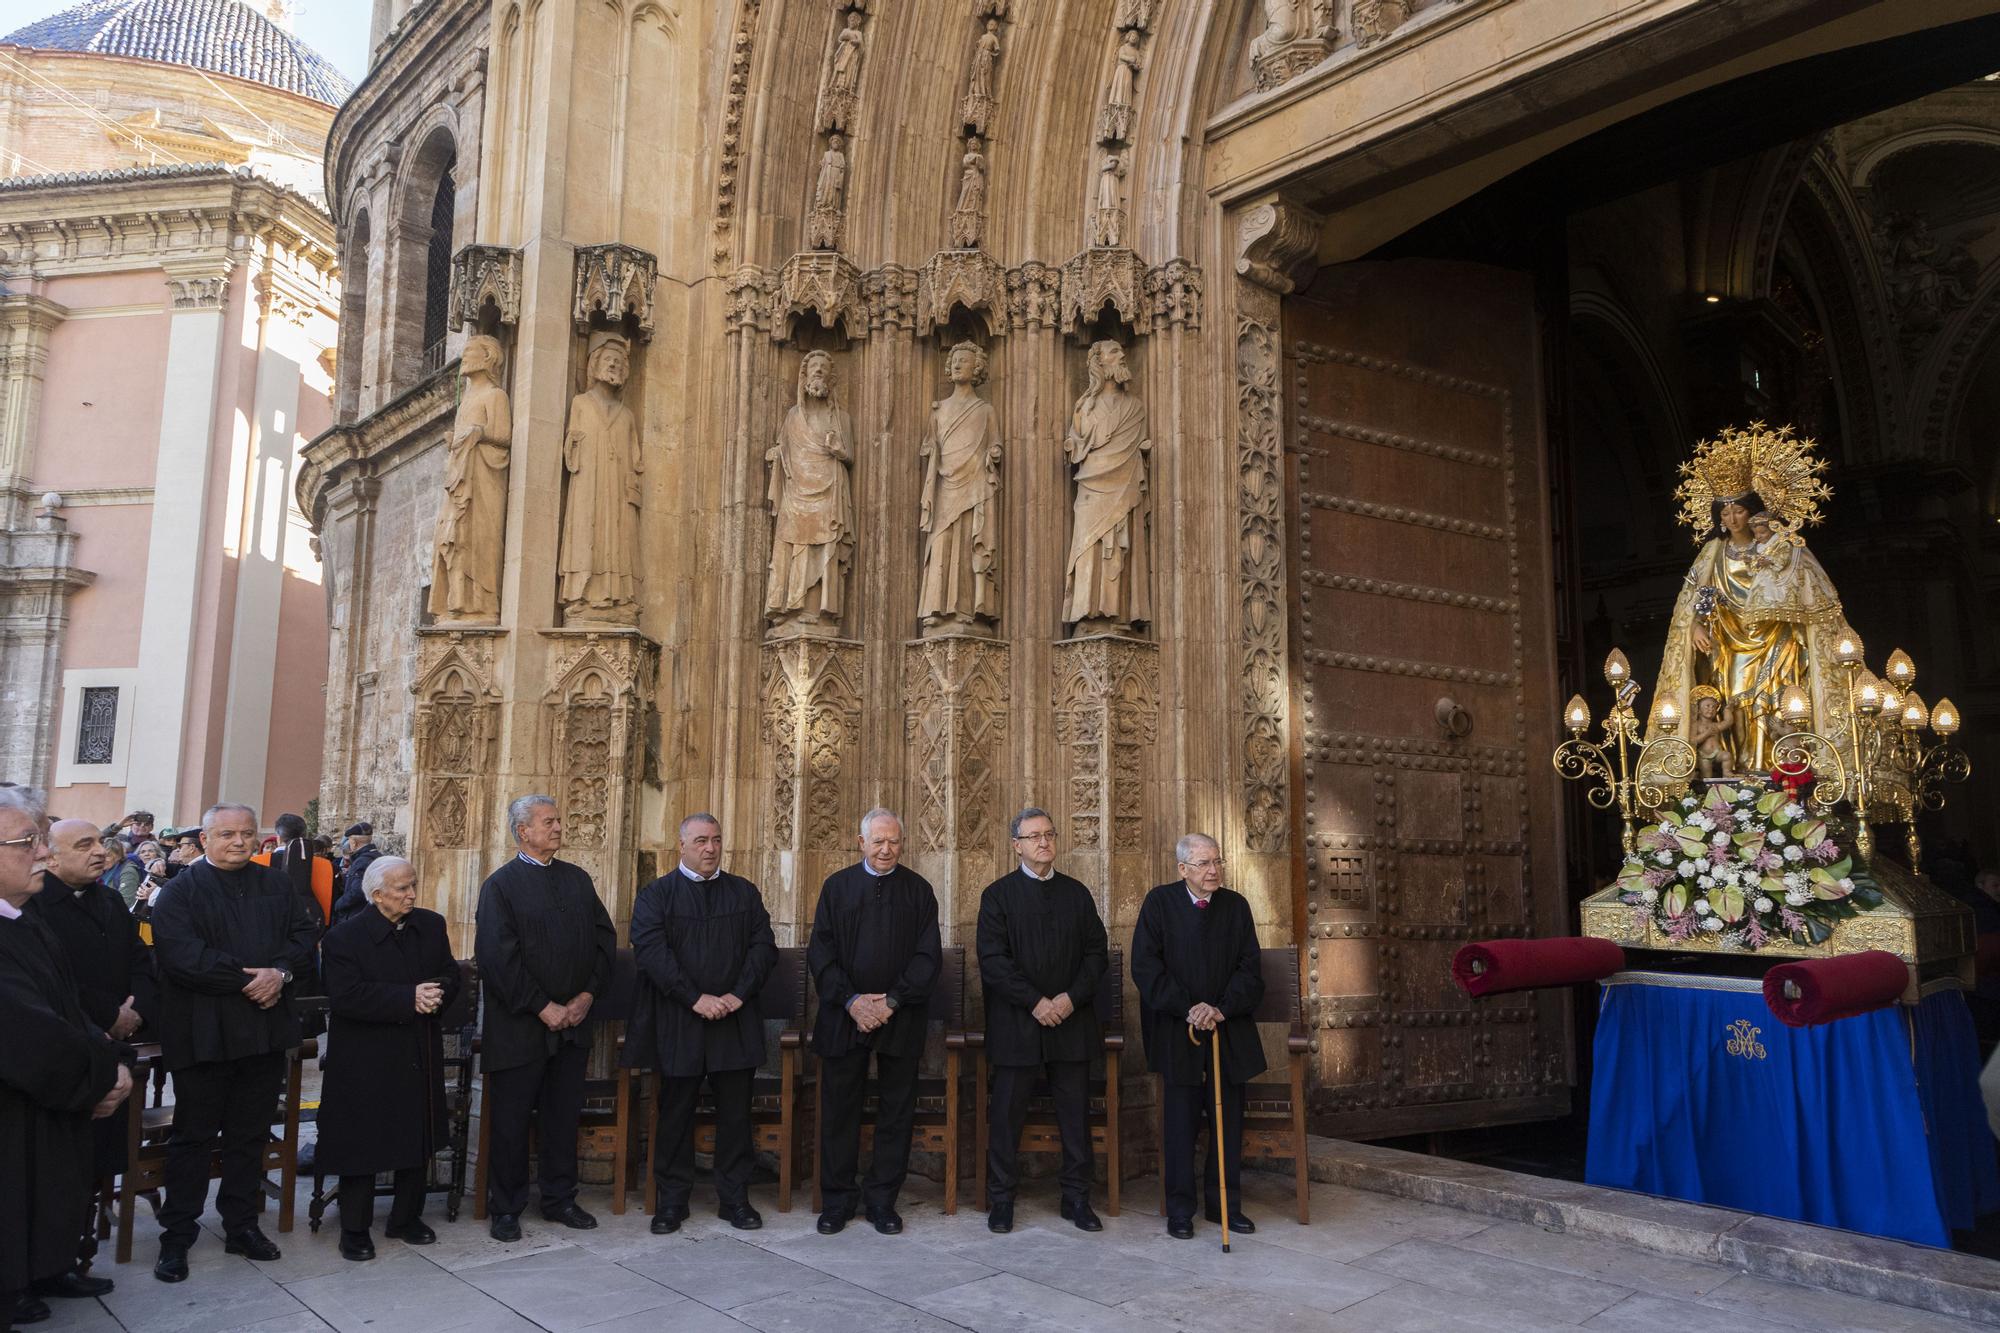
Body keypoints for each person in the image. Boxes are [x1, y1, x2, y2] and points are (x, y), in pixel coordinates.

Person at [148, 803, 319, 1282]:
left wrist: (279, 972)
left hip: (263, 1032)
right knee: (193, 1138)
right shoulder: (179, 892)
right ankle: (177, 1236)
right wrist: (253, 979)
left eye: (247, 833)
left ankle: (242, 1225)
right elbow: (183, 957)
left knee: (249, 1135)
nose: (239, 842)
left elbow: (305, 936)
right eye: (227, 834)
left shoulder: (276, 884)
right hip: (203, 1030)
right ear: (205, 840)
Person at [0, 790, 130, 1333]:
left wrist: (102, 1059)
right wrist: (101, 1072)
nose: (41, 854)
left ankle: (46, 1268)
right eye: (26, 842)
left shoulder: (24, 917)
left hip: (52, 1098)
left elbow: (65, 1000)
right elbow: (25, 1028)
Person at [474, 796, 616, 1241]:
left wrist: (586, 995)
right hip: (519, 1027)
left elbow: (603, 940)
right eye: (548, 822)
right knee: (512, 1120)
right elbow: (498, 958)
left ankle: (559, 1199)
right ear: (523, 832)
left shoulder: (576, 879)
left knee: (561, 1116)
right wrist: (542, 1006)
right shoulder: (500, 886)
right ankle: (507, 1208)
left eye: (558, 821)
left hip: (573, 1024)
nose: (558, 828)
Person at [628, 814, 776, 1235]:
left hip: (734, 1017)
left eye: (715, 840)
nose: (709, 848)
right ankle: (672, 1201)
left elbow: (762, 948)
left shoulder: (744, 893)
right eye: (700, 841)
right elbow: (652, 952)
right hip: (679, 1019)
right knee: (674, 1113)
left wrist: (736, 995)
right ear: (681, 846)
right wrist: (694, 997)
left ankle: (735, 1199)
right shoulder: (656, 895)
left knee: (735, 1114)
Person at [28, 819, 154, 1292]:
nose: (100, 852)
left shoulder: (107, 899)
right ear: (52, 857)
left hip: (113, 1043)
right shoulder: (36, 905)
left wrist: (136, 1008)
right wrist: (108, 1015)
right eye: (85, 845)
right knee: (53, 1169)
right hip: (70, 1047)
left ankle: (71, 1259)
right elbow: (51, 978)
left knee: (93, 1164)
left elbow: (141, 961)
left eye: (100, 843)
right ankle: (36, 1269)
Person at [315, 857, 458, 1261]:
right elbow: (346, 996)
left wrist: (437, 993)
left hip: (417, 1047)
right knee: (361, 1141)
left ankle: (406, 1217)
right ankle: (355, 1228)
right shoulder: (345, 938)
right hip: (365, 1055)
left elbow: (449, 973)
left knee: (417, 1134)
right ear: (377, 895)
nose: (411, 894)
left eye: (413, 885)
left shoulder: (430, 925)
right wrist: (407, 997)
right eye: (401, 889)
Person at [808, 808, 940, 1236]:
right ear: (860, 841)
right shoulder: (837, 888)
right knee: (840, 1110)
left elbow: (927, 958)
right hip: (846, 1015)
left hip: (899, 1015)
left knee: (896, 1112)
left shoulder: (919, 891)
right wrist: (852, 1002)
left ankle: (883, 1200)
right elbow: (821, 955)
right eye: (878, 841)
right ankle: (838, 1201)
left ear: (902, 843)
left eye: (894, 841)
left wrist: (892, 1001)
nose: (886, 849)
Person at [977, 807, 1107, 1234]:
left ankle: (1077, 1198)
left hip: (1071, 1022)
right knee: (1007, 1114)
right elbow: (993, 962)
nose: (1043, 842)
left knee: (1074, 1116)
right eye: (1033, 836)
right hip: (1018, 1023)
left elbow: (1095, 954)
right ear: (1016, 845)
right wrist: (1035, 1002)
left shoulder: (1077, 894)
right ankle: (1001, 1200)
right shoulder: (997, 896)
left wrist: (1069, 999)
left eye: (1049, 834)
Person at [1131, 833, 1265, 1240]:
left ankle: (1225, 1204)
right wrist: (1189, 1008)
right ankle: (1180, 1210)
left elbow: (1249, 968)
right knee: (1180, 1121)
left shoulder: (1236, 906)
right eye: (1204, 864)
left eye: (1217, 862)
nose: (1214, 871)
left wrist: (1221, 1007)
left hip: (1227, 1026)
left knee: (1228, 1119)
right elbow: (1146, 968)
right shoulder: (1159, 903)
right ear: (1182, 869)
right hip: (1179, 1028)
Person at [332, 823, 381, 924]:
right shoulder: (377, 857)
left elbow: (357, 892)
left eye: (349, 841)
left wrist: (338, 904)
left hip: (356, 915)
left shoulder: (362, 861)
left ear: (354, 842)